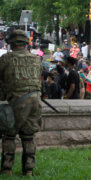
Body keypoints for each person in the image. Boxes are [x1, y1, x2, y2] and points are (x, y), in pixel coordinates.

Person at [0, 30, 43, 176]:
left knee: (9, 135)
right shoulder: (36, 59)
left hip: (17, 102)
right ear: (26, 43)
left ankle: (7, 169)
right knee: (29, 136)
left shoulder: (5, 59)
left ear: (11, 43)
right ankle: (29, 170)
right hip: (35, 101)